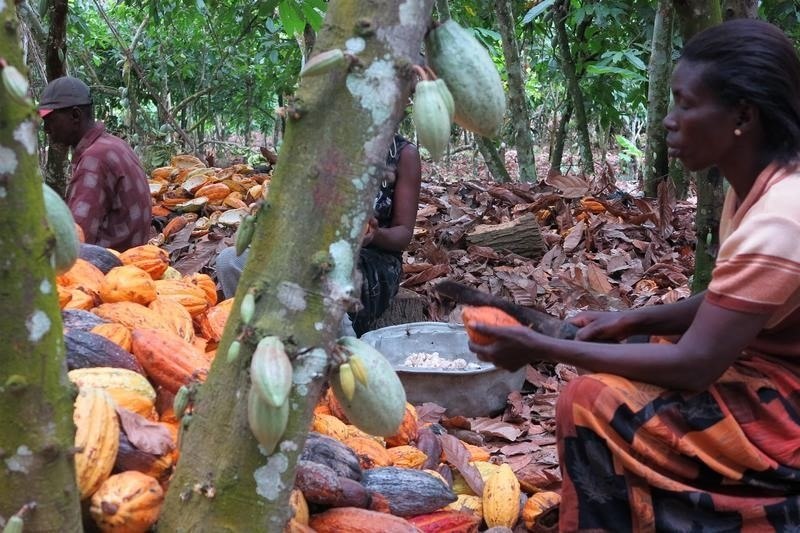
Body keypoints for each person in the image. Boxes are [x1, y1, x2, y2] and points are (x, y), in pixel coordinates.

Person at [469, 19, 800, 531]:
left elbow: (696, 365)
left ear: (742, 115)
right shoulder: (758, 185)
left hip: (789, 412)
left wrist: (544, 348)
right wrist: (626, 323)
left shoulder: (781, 214)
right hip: (765, 367)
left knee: (588, 401)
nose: (669, 121)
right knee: (626, 343)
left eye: (686, 105)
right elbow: (732, 300)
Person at [216, 134, 422, 336]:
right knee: (231, 261)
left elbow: (403, 234)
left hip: (372, 260)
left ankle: (344, 351)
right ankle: (258, 339)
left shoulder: (403, 154)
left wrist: (373, 235)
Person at [39, 76, 152, 251]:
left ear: (75, 115)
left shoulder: (95, 159)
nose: (46, 129)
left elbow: (74, 241)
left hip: (112, 270)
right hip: (132, 261)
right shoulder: (115, 144)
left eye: (50, 120)